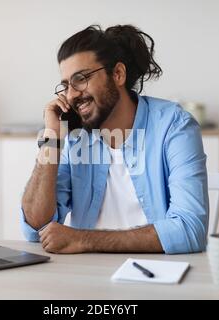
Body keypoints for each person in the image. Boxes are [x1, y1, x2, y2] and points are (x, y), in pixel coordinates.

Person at [21, 24, 208, 254]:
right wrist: (51, 138)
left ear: (117, 74)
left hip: (158, 275)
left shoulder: (174, 126)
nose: (70, 95)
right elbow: (35, 227)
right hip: (88, 277)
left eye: (81, 79)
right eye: (66, 85)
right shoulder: (74, 136)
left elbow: (190, 230)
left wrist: (83, 240)